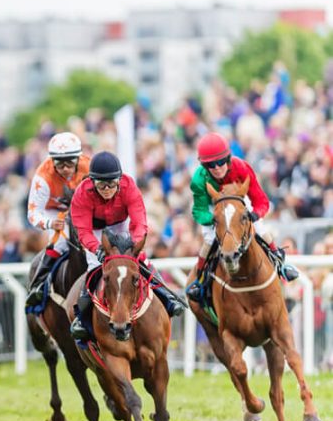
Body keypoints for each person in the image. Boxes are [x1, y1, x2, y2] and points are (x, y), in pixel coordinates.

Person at [69, 151, 185, 341]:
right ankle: (82, 318)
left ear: (119, 180)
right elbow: (83, 232)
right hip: (95, 231)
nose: (106, 189)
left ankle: (167, 297)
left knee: (140, 260)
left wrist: (134, 246)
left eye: (111, 184)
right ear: (92, 182)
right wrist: (96, 248)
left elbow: (139, 222)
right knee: (95, 266)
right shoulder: (82, 194)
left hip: (120, 225)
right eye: (101, 184)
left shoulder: (129, 186)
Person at [186, 132, 299, 303]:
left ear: (228, 158)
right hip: (214, 208)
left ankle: (282, 266)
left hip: (238, 202)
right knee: (209, 239)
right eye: (210, 164)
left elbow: (261, 201)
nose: (216, 168)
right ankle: (200, 281)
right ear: (204, 165)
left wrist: (255, 214)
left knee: (261, 229)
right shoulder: (198, 179)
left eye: (220, 162)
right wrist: (217, 219)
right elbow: (199, 211)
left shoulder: (242, 168)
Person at [26, 132, 91, 305]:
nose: (65, 169)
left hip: (81, 208)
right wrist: (50, 223)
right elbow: (33, 214)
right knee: (61, 242)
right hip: (53, 211)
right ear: (51, 161)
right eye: (60, 164)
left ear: (79, 158)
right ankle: (38, 284)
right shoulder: (42, 176)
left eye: (70, 162)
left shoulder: (90, 167)